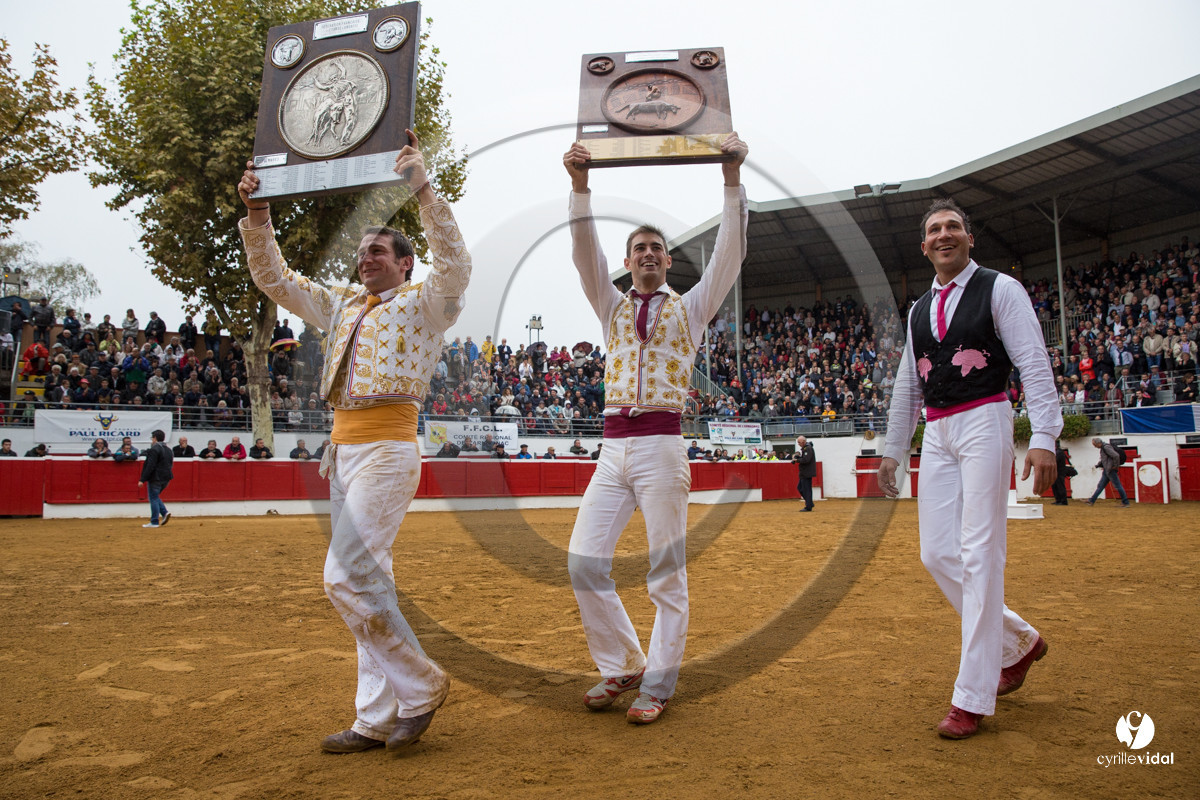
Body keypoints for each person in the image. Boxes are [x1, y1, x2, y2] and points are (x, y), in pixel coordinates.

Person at [238, 129, 468, 755]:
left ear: (405, 263)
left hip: (389, 448)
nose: (366, 257)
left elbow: (457, 264)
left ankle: (421, 688)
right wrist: (258, 212)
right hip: (341, 453)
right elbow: (275, 279)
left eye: (380, 251)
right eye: (363, 250)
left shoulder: (427, 303)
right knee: (371, 582)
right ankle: (373, 717)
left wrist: (422, 187)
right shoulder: (342, 303)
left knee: (344, 575)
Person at [562, 132, 749, 724]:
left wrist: (730, 179)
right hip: (612, 450)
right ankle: (622, 663)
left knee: (666, 571)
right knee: (583, 562)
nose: (646, 254)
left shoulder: (690, 307)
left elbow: (730, 256)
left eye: (655, 249)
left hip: (664, 447)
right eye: (637, 248)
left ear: (668, 261)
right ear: (627, 261)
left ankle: (660, 682)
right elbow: (582, 250)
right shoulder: (610, 305)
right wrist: (580, 186)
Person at [878, 198, 1059, 740]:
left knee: (981, 553)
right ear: (924, 244)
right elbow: (909, 384)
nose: (944, 235)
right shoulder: (916, 311)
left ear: (969, 238)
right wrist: (893, 449)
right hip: (937, 429)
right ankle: (1019, 641)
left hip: (986, 417)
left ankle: (973, 695)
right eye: (934, 229)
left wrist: (1044, 435)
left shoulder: (1001, 288)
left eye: (953, 226)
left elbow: (1032, 359)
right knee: (936, 552)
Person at [138, 429, 174, 528]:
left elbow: (150, 465)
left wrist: (142, 479)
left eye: (152, 438)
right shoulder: (168, 449)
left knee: (153, 498)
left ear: (155, 438)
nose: (152, 440)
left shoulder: (154, 449)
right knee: (155, 497)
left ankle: (154, 521)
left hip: (155, 478)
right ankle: (164, 513)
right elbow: (170, 464)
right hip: (166, 478)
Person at [1086, 438, 1130, 507]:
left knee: (1118, 486)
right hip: (1107, 470)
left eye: (1095, 445)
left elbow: (1116, 456)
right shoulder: (1104, 448)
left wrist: (1115, 466)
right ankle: (1091, 500)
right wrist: (1098, 465)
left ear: (1099, 443)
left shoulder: (1106, 447)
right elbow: (1105, 459)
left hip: (1110, 470)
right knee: (1100, 485)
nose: (1095, 446)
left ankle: (1126, 502)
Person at [792, 435, 816, 511]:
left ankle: (808, 506)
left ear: (803, 441)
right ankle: (809, 503)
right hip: (805, 472)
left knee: (806, 489)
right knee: (801, 488)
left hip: (806, 472)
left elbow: (806, 460)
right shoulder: (806, 448)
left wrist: (797, 460)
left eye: (799, 442)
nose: (798, 444)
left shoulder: (808, 448)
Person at [1051, 441, 1071, 505]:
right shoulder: (1057, 452)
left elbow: (1055, 461)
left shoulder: (1059, 452)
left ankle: (1063, 500)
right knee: (1055, 486)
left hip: (1059, 472)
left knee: (1060, 486)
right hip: (1056, 471)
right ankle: (1058, 500)